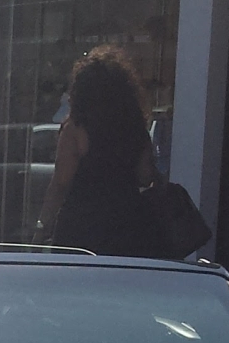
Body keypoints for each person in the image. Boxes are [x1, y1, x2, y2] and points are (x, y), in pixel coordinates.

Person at [38, 47, 166, 257]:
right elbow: (145, 176)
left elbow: (61, 182)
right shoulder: (135, 127)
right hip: (128, 224)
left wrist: (42, 226)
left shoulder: (76, 128)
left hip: (82, 225)